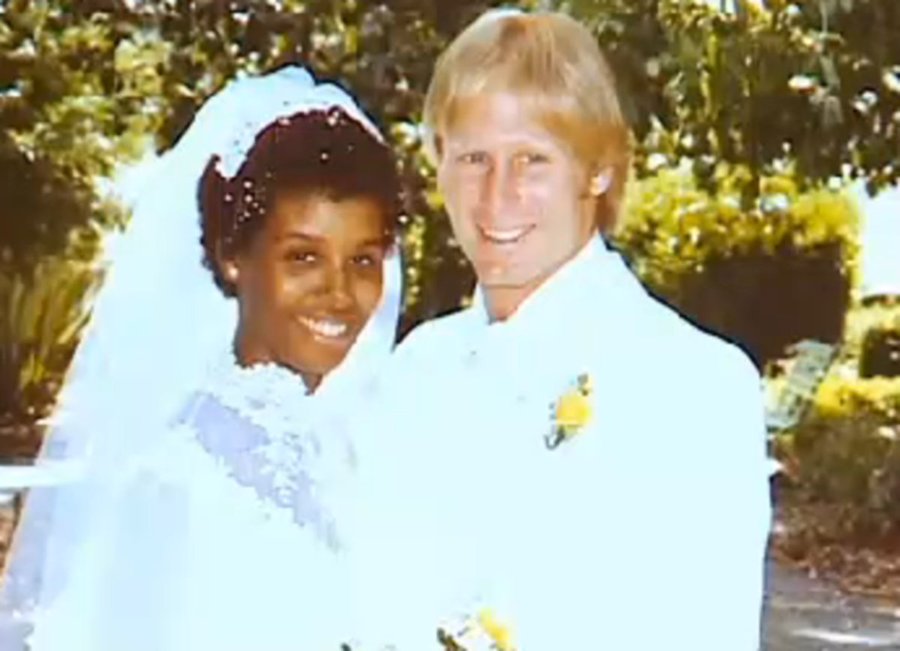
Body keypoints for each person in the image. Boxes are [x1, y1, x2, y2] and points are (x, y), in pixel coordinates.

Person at [358, 8, 772, 650]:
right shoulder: (413, 372)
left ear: (598, 170)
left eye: (533, 160)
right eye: (473, 158)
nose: (497, 196)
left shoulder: (696, 384)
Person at [0, 65, 403, 651]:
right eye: (302, 258)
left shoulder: (354, 448)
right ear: (233, 255)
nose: (339, 292)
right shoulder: (175, 478)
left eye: (363, 260)